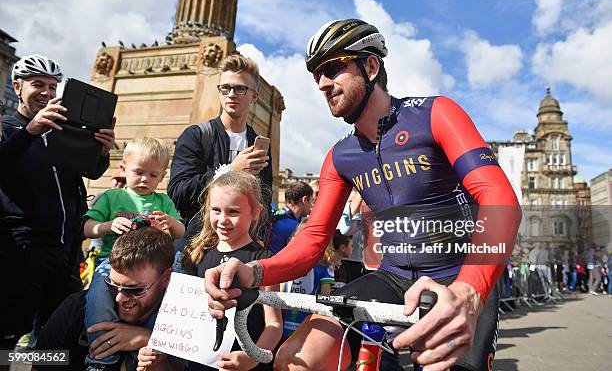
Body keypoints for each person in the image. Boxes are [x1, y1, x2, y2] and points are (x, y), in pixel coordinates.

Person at [205, 19, 521, 371]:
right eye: (316, 75)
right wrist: (254, 271)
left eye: (332, 68)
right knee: (295, 361)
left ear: (370, 66)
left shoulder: (435, 113)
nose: (323, 83)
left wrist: (469, 290)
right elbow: (312, 239)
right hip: (391, 277)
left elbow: (499, 197)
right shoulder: (340, 156)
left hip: (457, 273)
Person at [0, 54, 115, 349]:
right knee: (7, 341)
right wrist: (29, 132)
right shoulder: (7, 128)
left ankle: (33, 366)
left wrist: (100, 151)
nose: (47, 93)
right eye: (38, 84)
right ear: (17, 86)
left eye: (53, 87)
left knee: (57, 344)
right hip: (21, 253)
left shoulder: (61, 131)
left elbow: (88, 171)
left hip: (65, 253)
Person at [141, 170, 282, 371]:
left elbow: (274, 324)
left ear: (255, 212)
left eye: (233, 212)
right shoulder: (195, 255)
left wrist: (252, 357)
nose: (223, 219)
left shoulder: (265, 261)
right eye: (216, 210)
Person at [82, 137, 185, 370]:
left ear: (162, 176)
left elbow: (181, 231)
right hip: (112, 263)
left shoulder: (163, 201)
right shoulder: (111, 197)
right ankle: (101, 359)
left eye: (153, 175)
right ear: (123, 169)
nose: (145, 179)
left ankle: (154, 344)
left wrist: (169, 224)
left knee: (176, 288)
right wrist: (109, 225)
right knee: (98, 297)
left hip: (153, 268)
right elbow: (87, 227)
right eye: (139, 172)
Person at [34, 226, 177, 371]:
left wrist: (154, 342)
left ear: (166, 278)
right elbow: (40, 362)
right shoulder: (76, 308)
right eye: (112, 285)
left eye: (134, 289)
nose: (119, 298)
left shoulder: (183, 327)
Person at [168, 54, 273, 250]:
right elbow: (177, 193)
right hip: (195, 249)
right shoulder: (195, 136)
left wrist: (260, 239)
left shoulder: (258, 144)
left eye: (240, 88)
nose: (231, 94)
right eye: (225, 88)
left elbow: (265, 200)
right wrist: (230, 170)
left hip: (242, 252)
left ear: (254, 96)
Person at [268, 181, 314, 254]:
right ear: (304, 200)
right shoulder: (294, 227)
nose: (311, 206)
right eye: (311, 201)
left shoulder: (278, 214)